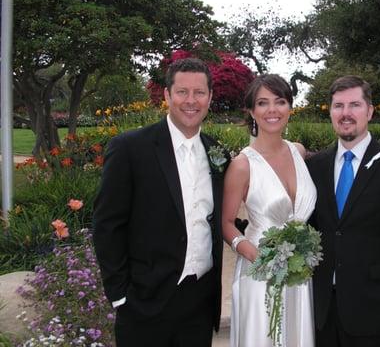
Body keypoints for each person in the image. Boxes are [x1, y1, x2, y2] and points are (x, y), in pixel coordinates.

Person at [93, 58, 229, 347]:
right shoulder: (130, 148)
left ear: (210, 97)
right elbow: (107, 224)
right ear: (167, 95)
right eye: (182, 92)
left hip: (200, 301)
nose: (191, 101)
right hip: (144, 302)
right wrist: (120, 295)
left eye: (199, 92)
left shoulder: (217, 151)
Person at [307, 75, 380, 347]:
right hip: (323, 309)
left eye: (355, 105)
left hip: (376, 308)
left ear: (370, 111)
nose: (346, 113)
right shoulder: (315, 166)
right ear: (330, 112)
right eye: (338, 106)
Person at [222, 74, 317, 347]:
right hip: (260, 271)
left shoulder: (299, 152)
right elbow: (226, 223)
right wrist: (256, 254)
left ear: (290, 107)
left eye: (280, 101)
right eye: (263, 103)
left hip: (299, 273)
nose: (272, 110)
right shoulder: (242, 165)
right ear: (252, 111)